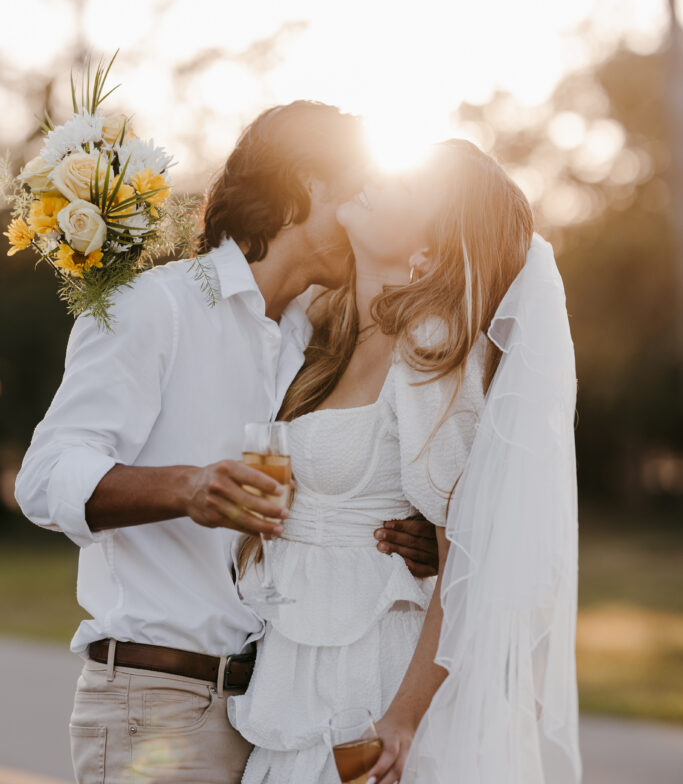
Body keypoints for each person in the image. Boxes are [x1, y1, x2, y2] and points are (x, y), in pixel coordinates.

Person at [14, 101, 437, 784]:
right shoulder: (153, 306)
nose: (363, 215)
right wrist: (187, 488)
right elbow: (44, 477)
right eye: (356, 189)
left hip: (268, 712)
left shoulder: (316, 345)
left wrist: (410, 537)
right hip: (156, 705)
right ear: (307, 183)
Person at [230, 139, 580, 784]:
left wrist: (405, 718)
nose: (377, 180)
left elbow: (467, 557)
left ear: (431, 246)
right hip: (297, 664)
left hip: (377, 675)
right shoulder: (318, 336)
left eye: (407, 188)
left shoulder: (429, 350)